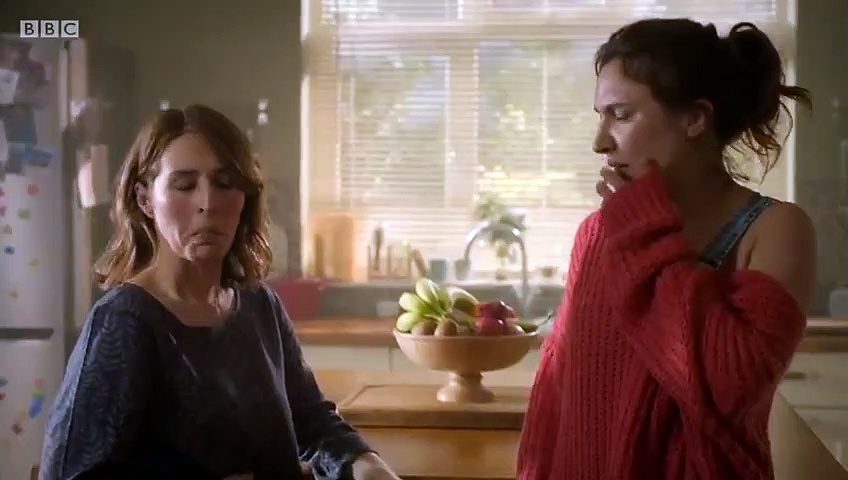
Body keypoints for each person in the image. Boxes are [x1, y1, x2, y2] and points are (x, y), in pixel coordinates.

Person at [517, 19, 816, 480]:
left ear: (695, 118)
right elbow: (559, 390)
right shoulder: (597, 233)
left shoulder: (775, 229)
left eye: (622, 115)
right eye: (600, 116)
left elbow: (731, 388)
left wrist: (643, 227)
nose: (600, 142)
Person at [40, 104, 401, 480]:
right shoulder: (124, 321)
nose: (207, 203)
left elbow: (310, 420)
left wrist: (365, 463)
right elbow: (72, 473)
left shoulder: (259, 305)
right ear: (145, 199)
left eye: (225, 183)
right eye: (184, 185)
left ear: (244, 198)